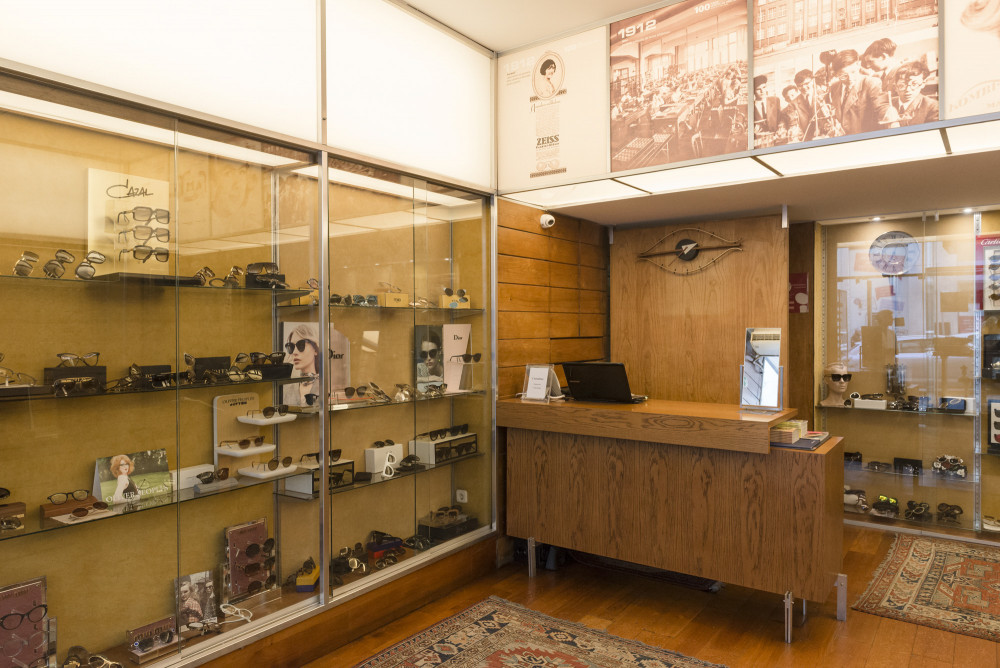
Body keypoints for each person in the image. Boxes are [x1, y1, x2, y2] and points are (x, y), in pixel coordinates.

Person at [827, 49, 892, 136]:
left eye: (853, 72)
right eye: (843, 76)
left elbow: (882, 106)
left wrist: (891, 119)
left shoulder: (871, 83)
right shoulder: (834, 88)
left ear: (858, 65)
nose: (850, 78)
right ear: (836, 74)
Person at [882, 61, 938, 127]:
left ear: (923, 84)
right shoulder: (886, 106)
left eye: (914, 84)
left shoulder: (932, 107)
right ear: (895, 87)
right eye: (902, 85)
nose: (908, 90)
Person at [284, 323, 320, 406]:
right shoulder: (287, 389)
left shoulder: (326, 387)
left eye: (301, 345)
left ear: (315, 349)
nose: (294, 352)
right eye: (291, 347)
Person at [752, 75, 781, 146]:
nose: (762, 91)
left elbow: (781, 118)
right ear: (753, 91)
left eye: (764, 87)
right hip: (759, 142)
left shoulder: (775, 100)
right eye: (758, 89)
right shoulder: (750, 106)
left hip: (776, 140)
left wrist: (781, 128)